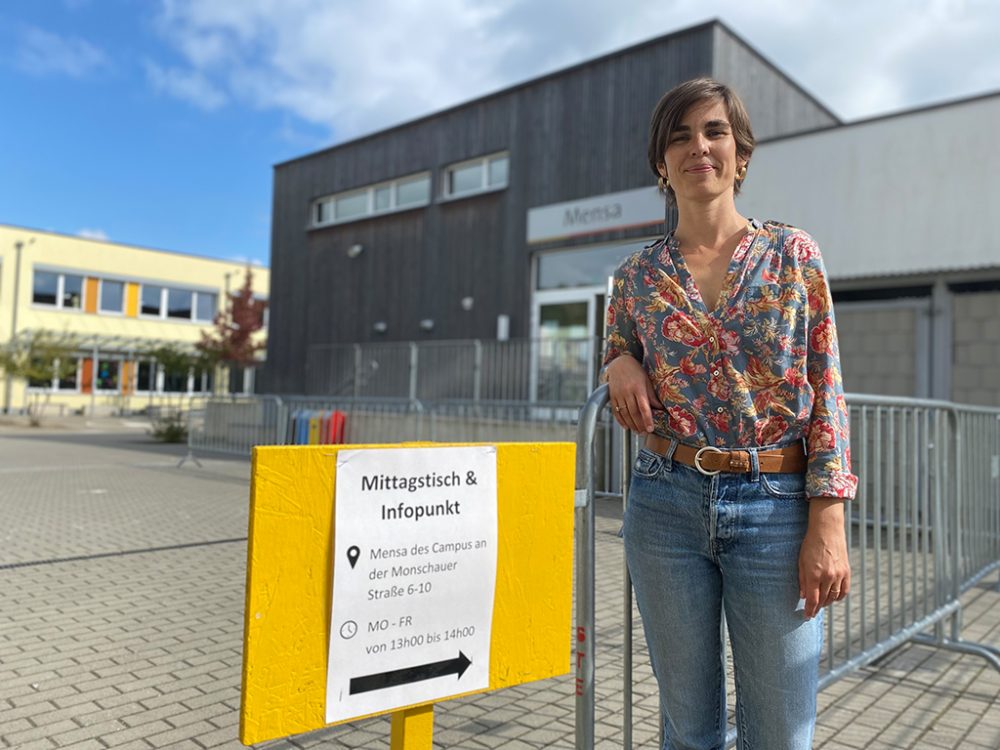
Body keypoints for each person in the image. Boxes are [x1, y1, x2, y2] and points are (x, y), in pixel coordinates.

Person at [603, 78, 857, 750]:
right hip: (665, 505)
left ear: (740, 154)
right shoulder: (634, 276)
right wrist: (615, 362)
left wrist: (827, 519)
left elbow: (825, 382)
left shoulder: (792, 254)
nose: (699, 147)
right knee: (690, 730)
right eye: (680, 136)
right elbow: (618, 344)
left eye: (714, 132)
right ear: (661, 163)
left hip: (775, 506)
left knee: (779, 731)